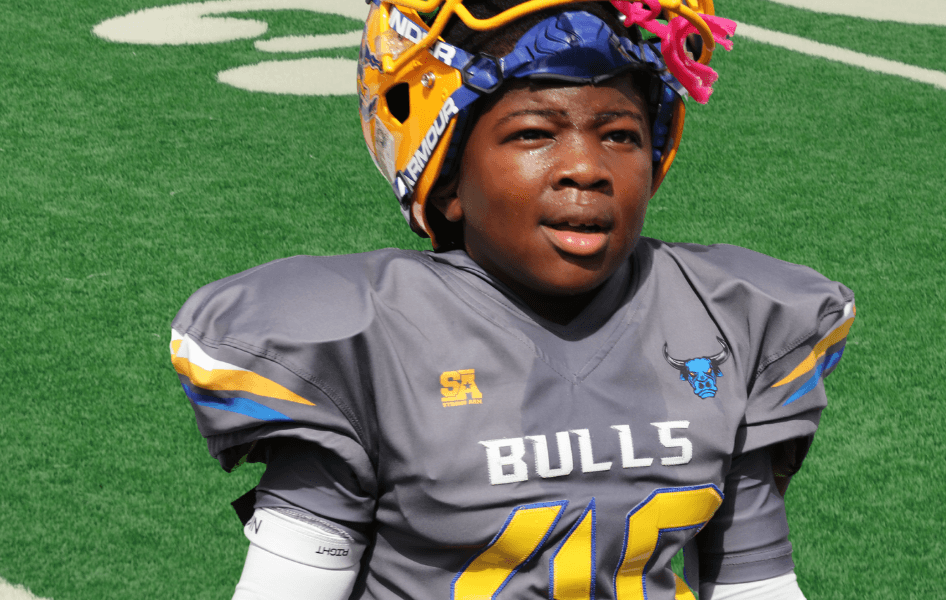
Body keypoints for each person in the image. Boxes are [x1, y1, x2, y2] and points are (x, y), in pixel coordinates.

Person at [169, 0, 855, 598]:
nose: (585, 168)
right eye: (533, 133)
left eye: (620, 135)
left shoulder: (728, 317)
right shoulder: (365, 343)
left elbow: (755, 585)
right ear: (446, 175)